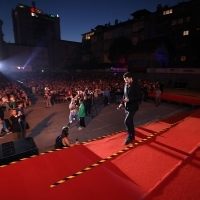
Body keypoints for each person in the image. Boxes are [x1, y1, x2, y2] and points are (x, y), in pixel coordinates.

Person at [119, 72, 141, 145]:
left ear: (131, 78)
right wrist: (122, 103)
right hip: (126, 107)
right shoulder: (125, 85)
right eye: (125, 80)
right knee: (130, 122)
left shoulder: (136, 86)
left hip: (133, 107)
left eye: (127, 80)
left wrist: (130, 100)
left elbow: (139, 97)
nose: (126, 81)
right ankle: (133, 136)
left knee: (126, 122)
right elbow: (124, 95)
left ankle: (129, 137)